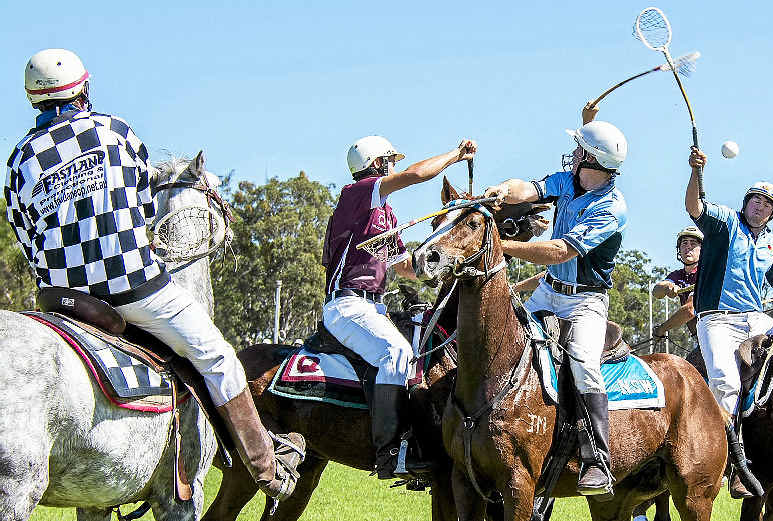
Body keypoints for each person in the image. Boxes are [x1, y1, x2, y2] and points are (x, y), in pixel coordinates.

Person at [5, 49, 304, 501]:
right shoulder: (115, 130)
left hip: (62, 299)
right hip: (132, 287)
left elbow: (27, 238)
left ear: (34, 98)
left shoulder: (20, 158)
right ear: (83, 88)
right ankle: (267, 468)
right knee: (218, 356)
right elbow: (145, 208)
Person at [483, 105, 627, 497]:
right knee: (503, 342)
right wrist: (501, 189)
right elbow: (527, 189)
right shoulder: (568, 181)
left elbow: (560, 250)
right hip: (548, 291)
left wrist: (500, 246)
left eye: (579, 150)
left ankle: (597, 459)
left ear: (591, 159)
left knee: (583, 364)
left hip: (585, 302)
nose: (573, 154)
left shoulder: (611, 207)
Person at [323, 134, 476, 478]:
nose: (394, 166)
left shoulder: (385, 215)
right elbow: (417, 175)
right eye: (391, 161)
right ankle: (389, 454)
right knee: (396, 353)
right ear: (378, 164)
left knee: (417, 352)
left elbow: (404, 266)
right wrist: (456, 155)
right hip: (347, 305)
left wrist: (439, 262)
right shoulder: (359, 193)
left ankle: (416, 440)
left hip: (373, 308)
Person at [684, 147, 773, 498]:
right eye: (755, 200)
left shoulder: (772, 243)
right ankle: (724, 458)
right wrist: (695, 171)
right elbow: (694, 206)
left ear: (772, 213)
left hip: (755, 318)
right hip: (717, 319)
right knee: (725, 383)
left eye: (767, 204)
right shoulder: (725, 221)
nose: (759, 207)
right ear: (746, 202)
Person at [651, 226, 703, 338]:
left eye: (693, 243)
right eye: (684, 243)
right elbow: (656, 292)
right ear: (679, 249)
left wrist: (661, 329)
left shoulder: (705, 273)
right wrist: (667, 287)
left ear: (702, 250)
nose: (688, 247)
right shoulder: (678, 275)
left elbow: (689, 310)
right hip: (699, 338)